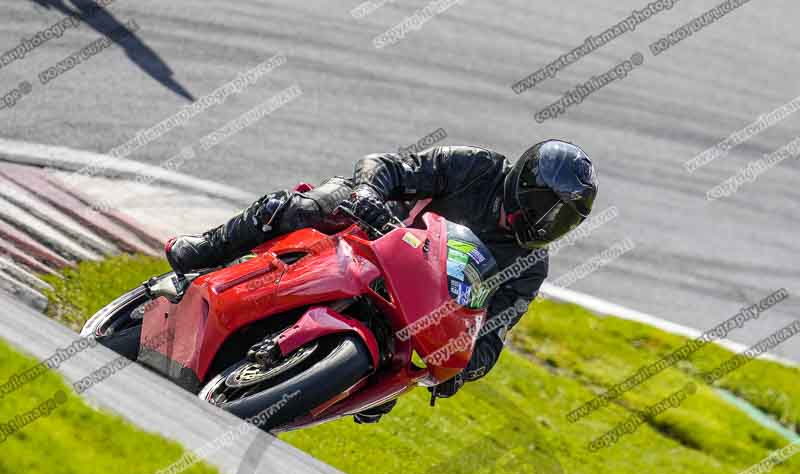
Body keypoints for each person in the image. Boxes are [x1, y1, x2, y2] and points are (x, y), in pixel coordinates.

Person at [166, 140, 598, 423]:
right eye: (546, 205)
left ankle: (299, 387)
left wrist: (461, 370)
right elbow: (390, 165)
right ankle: (205, 249)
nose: (546, 222)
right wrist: (371, 195)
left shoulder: (530, 266)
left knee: (392, 389)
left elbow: (492, 336)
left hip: (417, 309)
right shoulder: (478, 167)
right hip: (370, 233)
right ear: (524, 181)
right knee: (307, 206)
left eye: (562, 219)